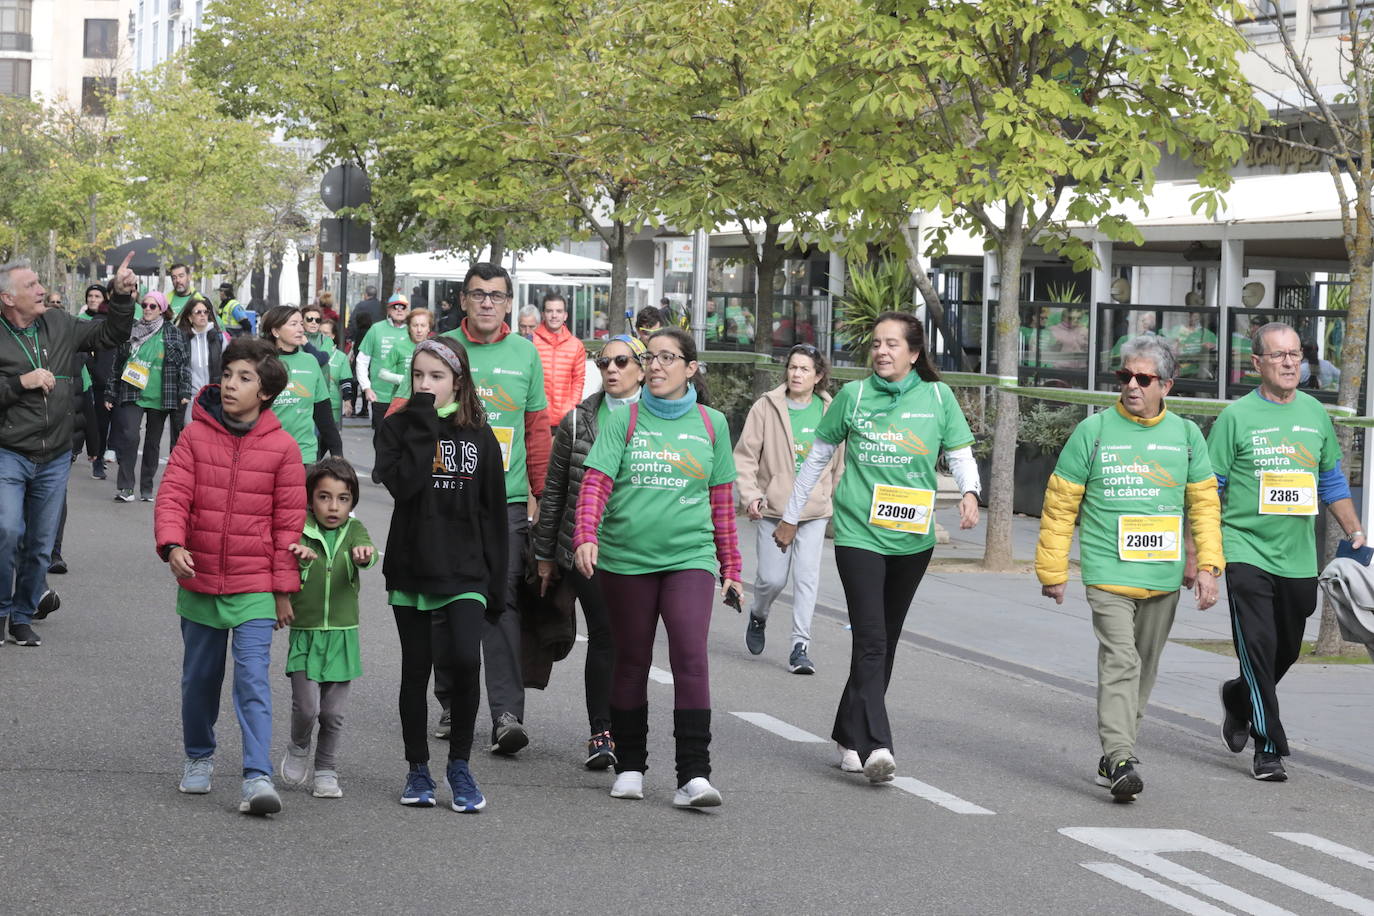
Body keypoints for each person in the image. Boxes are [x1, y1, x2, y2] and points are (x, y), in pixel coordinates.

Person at [774, 312, 980, 784]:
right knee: (870, 638)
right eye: (876, 344)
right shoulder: (854, 395)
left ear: (914, 353)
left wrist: (970, 492)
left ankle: (849, 732)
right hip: (858, 534)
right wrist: (790, 517)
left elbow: (961, 454)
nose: (882, 352)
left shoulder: (937, 397)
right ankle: (877, 745)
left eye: (892, 344)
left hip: (912, 540)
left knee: (884, 640)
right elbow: (817, 460)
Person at [1036, 335, 1223, 801]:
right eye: (1125, 377)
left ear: (1167, 385)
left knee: (1144, 669)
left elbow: (1203, 507)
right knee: (1120, 661)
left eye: (1144, 378)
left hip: (1162, 578)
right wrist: (1053, 571)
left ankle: (1115, 754)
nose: (1132, 386)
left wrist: (1208, 567)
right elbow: (1060, 507)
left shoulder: (1186, 436)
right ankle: (1120, 755)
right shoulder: (1093, 432)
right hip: (1108, 574)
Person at [572, 327, 740, 807]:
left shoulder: (712, 424)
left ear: (691, 368)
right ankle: (629, 766)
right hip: (626, 559)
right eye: (652, 357)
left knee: (690, 653)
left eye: (669, 357)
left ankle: (694, 775)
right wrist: (586, 535)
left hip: (690, 556)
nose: (657, 365)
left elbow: (722, 502)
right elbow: (595, 483)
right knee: (631, 659)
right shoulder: (623, 420)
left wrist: (731, 566)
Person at [153, 337, 307, 816]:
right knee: (199, 679)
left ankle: (257, 777)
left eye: (245, 378)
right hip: (200, 576)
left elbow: (288, 524)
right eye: (228, 375)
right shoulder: (195, 435)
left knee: (252, 682)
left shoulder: (283, 448)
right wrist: (173, 545)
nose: (231, 385)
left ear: (265, 392)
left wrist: (283, 589)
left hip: (256, 582)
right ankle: (198, 757)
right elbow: (174, 495)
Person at [1208, 321, 1365, 782]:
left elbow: (1330, 480)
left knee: (1288, 650)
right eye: (1279, 355)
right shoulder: (1235, 418)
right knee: (1256, 648)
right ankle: (1269, 746)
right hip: (1244, 548)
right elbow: (1209, 487)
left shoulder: (1316, 414)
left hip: (1297, 555)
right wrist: (1203, 550)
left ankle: (1239, 699)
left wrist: (1354, 529)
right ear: (1257, 363)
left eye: (1296, 353)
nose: (1290, 361)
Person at [377, 338, 508, 811]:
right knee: (417, 670)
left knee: (465, 663)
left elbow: (494, 514)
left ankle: (460, 767)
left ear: (459, 380)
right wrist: (423, 422)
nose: (426, 385)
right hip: (413, 568)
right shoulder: (396, 429)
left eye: (436, 376)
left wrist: (497, 585)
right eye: (419, 376)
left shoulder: (481, 435)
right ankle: (417, 769)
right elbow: (406, 485)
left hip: (466, 573)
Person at [439, 263, 551, 755]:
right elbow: (405, 416)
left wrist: (543, 495)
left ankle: (507, 714)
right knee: (448, 602)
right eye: (478, 294)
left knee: (500, 600)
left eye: (497, 295)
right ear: (463, 300)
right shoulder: (441, 348)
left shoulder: (526, 353)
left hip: (504, 501)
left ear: (508, 303)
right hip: (445, 499)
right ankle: (451, 700)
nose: (487, 302)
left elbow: (537, 428)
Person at [535, 334, 646, 770]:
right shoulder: (578, 420)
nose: (612, 370)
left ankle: (626, 727)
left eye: (621, 361)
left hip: (640, 549)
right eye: (605, 363)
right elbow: (555, 491)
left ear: (642, 366)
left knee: (632, 641)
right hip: (586, 548)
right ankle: (603, 732)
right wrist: (545, 555)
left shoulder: (658, 419)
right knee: (606, 633)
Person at [734, 343, 841, 675]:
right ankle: (759, 613)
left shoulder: (830, 409)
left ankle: (800, 647)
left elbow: (840, 462)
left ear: (818, 376)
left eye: (804, 369)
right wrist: (751, 495)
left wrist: (829, 495)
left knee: (807, 579)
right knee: (770, 579)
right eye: (793, 368)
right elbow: (745, 456)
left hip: (813, 512)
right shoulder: (767, 407)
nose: (796, 374)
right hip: (773, 509)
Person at [278, 457, 376, 800]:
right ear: (310, 498)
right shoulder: (299, 528)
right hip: (305, 632)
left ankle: (326, 769)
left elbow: (368, 553)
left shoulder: (355, 531)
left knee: (333, 713)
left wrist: (364, 555)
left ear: (352, 502)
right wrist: (297, 562)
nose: (333, 506)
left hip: (342, 634)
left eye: (343, 498)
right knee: (307, 707)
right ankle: (299, 745)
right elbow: (284, 563)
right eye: (324, 497)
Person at [106, 290, 191, 503]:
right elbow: (117, 364)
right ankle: (126, 487)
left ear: (162, 309)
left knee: (152, 443)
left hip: (161, 396)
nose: (147, 309)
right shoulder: (131, 330)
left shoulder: (173, 333)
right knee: (130, 437)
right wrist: (110, 392)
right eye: (144, 305)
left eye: (153, 306)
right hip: (132, 391)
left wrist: (184, 391)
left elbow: (184, 366)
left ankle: (146, 487)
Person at [260, 306, 343, 465]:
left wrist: (337, 452)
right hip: (268, 453)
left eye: (300, 323)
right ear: (276, 331)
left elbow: (323, 413)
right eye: (293, 324)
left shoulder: (310, 361)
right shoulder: (262, 363)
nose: (300, 329)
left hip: (304, 454)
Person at [356, 294, 411, 475]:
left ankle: (399, 469)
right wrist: (366, 387)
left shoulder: (413, 331)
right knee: (381, 435)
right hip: (380, 393)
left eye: (402, 307)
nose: (399, 310)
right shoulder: (376, 329)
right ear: (388, 310)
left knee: (405, 435)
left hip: (407, 395)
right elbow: (362, 360)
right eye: (395, 307)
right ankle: (381, 467)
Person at [78, 283, 118, 480]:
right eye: (90, 296)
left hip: (107, 379)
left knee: (111, 423)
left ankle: (104, 452)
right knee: (96, 423)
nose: (93, 299)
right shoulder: (81, 321)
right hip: (88, 379)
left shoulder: (110, 321)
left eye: (97, 296)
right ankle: (97, 459)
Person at [532, 292, 586, 435]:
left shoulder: (576, 345)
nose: (554, 315)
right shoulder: (531, 342)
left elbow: (578, 380)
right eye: (549, 311)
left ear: (565, 315)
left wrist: (571, 407)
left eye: (558, 311)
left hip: (564, 420)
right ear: (543, 314)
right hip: (536, 417)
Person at [174, 296, 225, 433]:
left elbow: (229, 366)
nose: (203, 315)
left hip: (213, 398)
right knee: (192, 435)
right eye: (198, 312)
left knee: (211, 439)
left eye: (205, 312)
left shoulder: (219, 338)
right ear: (190, 318)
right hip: (190, 399)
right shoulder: (183, 339)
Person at [376, 307, 432, 403]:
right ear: (409, 327)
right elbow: (382, 374)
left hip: (426, 400)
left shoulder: (434, 347)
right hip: (401, 401)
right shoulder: (399, 346)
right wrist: (405, 380)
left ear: (429, 328)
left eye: (423, 325)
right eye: (415, 325)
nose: (419, 330)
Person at [314, 318, 355, 427]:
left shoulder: (340, 357)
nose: (322, 336)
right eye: (320, 333)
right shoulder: (310, 353)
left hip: (332, 405)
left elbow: (346, 380)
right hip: (311, 404)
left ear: (333, 336)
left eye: (326, 333)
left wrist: (347, 401)